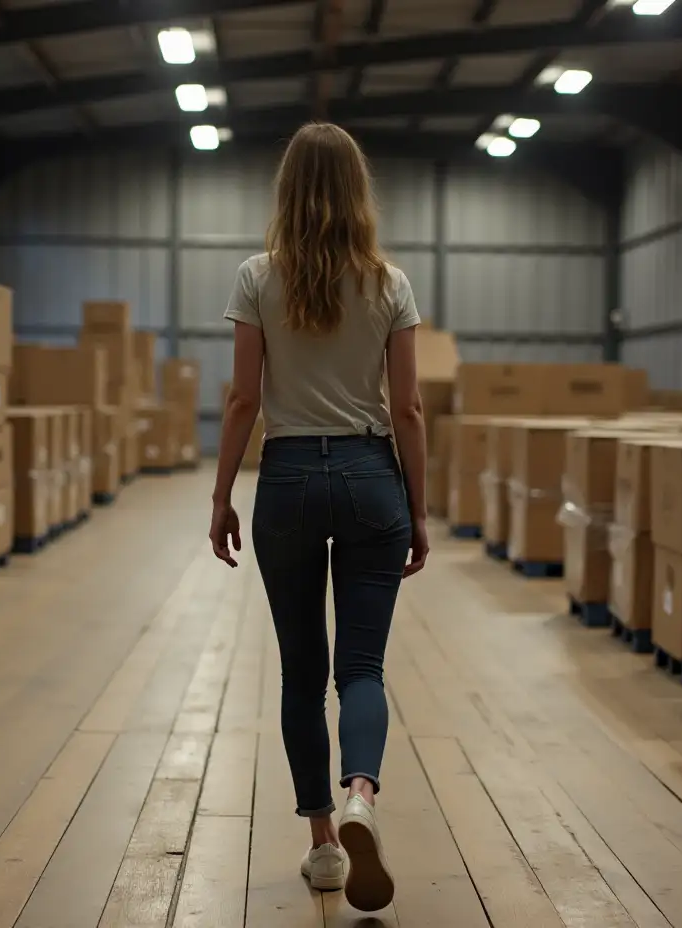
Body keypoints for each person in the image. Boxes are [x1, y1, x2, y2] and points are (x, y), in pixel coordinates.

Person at [208, 122, 429, 913]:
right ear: (357, 192)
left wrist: (220, 494)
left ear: (286, 190)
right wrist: (419, 509)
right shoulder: (389, 283)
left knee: (302, 673)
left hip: (291, 477)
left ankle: (325, 847)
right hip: (373, 475)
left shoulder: (256, 278)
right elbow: (406, 407)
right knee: (361, 669)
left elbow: (241, 400)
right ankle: (363, 792)